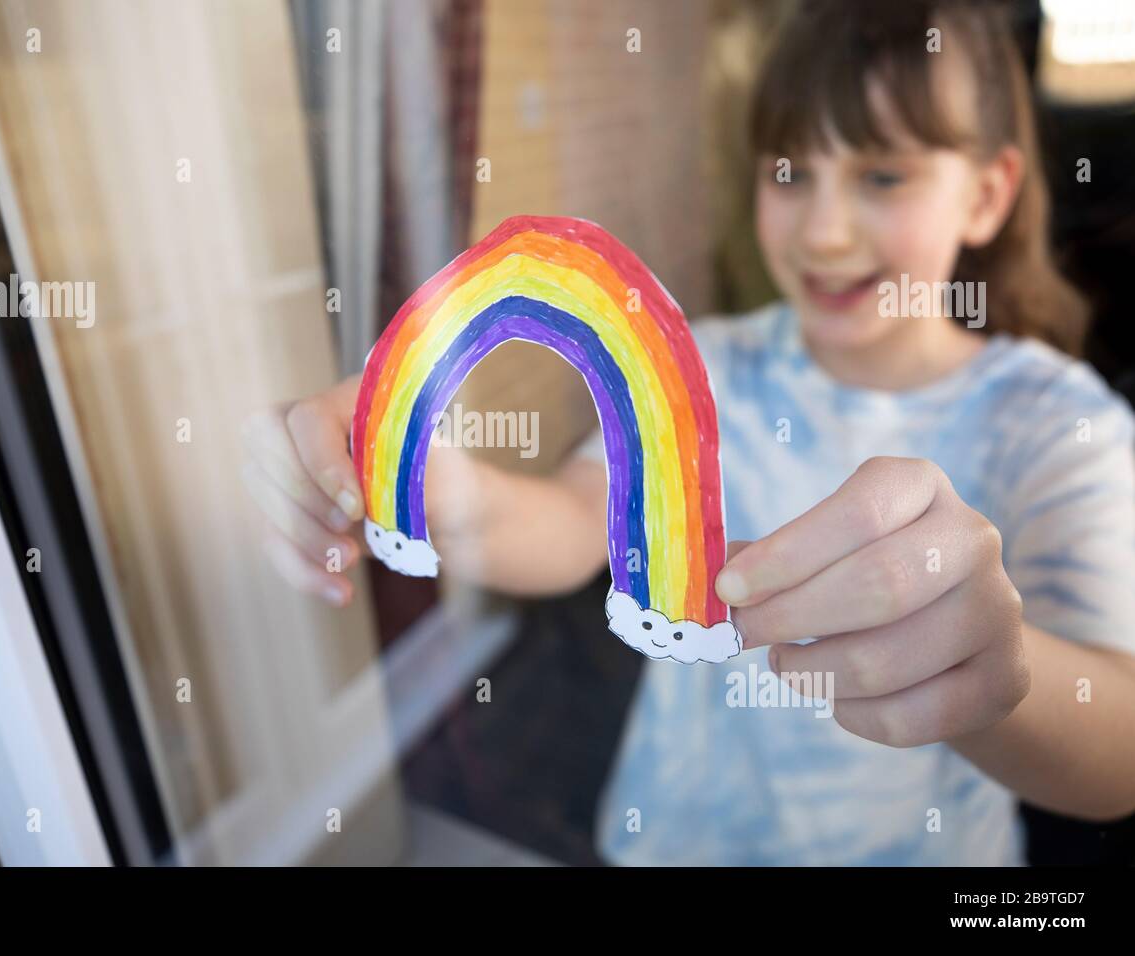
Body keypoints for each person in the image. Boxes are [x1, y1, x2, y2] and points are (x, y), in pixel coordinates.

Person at [241, 0, 1135, 864]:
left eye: (882, 175)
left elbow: (1118, 751)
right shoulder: (702, 365)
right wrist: (430, 486)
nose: (822, 230)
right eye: (788, 171)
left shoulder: (1060, 426)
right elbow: (573, 522)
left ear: (987, 196)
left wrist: (992, 669)